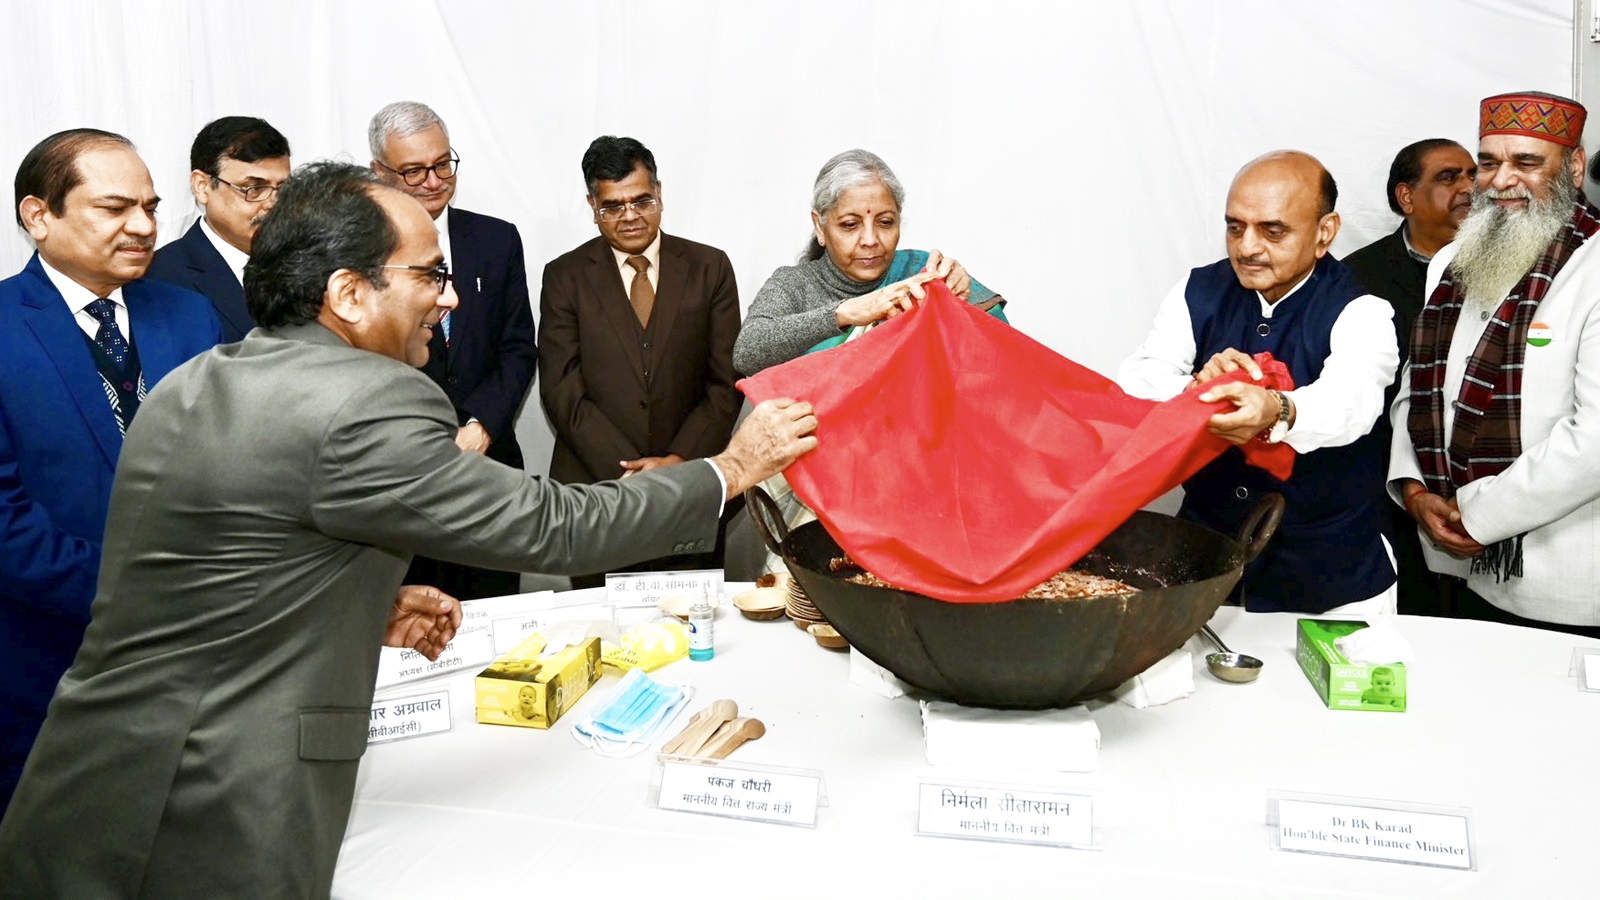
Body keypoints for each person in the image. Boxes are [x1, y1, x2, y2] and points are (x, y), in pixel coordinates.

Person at [0, 161, 817, 896]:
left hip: (83, 789)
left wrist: (349, 599)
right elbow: (555, 527)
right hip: (209, 808)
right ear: (350, 293)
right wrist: (730, 469)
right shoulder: (365, 400)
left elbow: (202, 571)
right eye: (431, 274)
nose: (452, 296)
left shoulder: (197, 379)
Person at [0, 129, 222, 813]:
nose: (144, 226)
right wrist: (153, 593)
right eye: (115, 208)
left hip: (200, 672)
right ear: (39, 216)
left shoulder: (190, 316)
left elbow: (236, 471)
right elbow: (8, 529)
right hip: (48, 670)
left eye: (152, 207)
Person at [1117, 151, 1399, 615]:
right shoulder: (1197, 289)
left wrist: (1277, 409)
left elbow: (1353, 402)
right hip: (1206, 560)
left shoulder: (1362, 311)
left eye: (1273, 231)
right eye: (1235, 226)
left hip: (1331, 574)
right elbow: (1139, 381)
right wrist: (1195, 391)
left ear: (1324, 232)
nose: (1247, 247)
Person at [1389, 91, 1600, 638]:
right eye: (1489, 161)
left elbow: (1594, 440)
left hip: (1560, 585)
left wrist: (1478, 516)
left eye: (1526, 162)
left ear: (1573, 167)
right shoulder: (1451, 261)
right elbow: (1419, 390)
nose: (1501, 180)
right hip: (1451, 564)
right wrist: (1414, 490)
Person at [539, 136, 742, 588]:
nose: (630, 216)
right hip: (596, 497)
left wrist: (679, 462)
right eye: (613, 206)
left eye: (641, 200)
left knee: (693, 635)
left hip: (690, 486)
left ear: (660, 194)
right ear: (592, 205)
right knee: (605, 645)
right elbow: (562, 390)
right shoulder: (564, 276)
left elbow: (726, 381)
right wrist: (631, 474)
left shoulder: (710, 268)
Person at [370, 100, 538, 600]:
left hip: (490, 472)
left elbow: (517, 349)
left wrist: (482, 426)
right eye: (414, 170)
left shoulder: (495, 239)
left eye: (443, 164)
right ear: (379, 172)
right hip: (402, 481)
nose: (434, 180)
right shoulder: (356, 253)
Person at [1342, 139, 1476, 618]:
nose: (1469, 187)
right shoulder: (1356, 278)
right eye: (1448, 177)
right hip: (1383, 484)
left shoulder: (1506, 269)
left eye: (1471, 174)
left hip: (1479, 483)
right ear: (1406, 197)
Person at [732, 148, 1006, 377]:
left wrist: (957, 304)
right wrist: (847, 313)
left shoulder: (920, 272)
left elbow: (1002, 361)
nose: (870, 239)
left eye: (885, 222)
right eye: (850, 225)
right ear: (820, 226)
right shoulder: (795, 285)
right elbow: (747, 353)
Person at [146, 116, 291, 341]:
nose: (274, 202)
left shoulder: (311, 264)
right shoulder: (160, 277)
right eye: (254, 188)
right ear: (202, 186)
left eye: (284, 188)